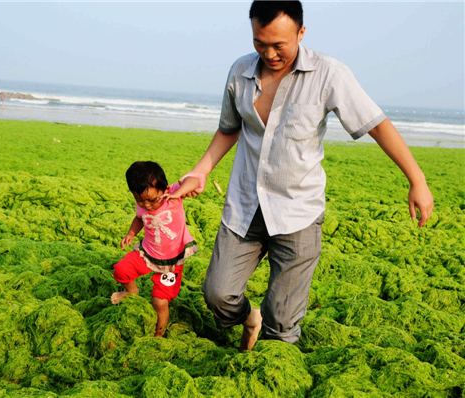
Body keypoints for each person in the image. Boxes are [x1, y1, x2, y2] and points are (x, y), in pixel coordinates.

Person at [179, 1, 434, 352]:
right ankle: (250, 318)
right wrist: (201, 170)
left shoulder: (329, 74)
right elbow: (229, 129)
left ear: (301, 32)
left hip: (297, 211)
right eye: (259, 43)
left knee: (281, 324)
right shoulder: (240, 72)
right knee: (218, 295)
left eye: (279, 45)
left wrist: (416, 179)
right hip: (245, 206)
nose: (269, 53)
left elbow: (376, 124)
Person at [112, 161, 200, 337]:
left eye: (152, 200)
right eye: (140, 200)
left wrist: (178, 193)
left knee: (159, 302)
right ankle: (131, 291)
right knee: (121, 269)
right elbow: (140, 217)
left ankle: (158, 334)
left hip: (172, 262)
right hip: (147, 254)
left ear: (165, 189)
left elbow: (195, 181)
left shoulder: (173, 195)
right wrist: (131, 233)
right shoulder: (143, 204)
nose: (147, 205)